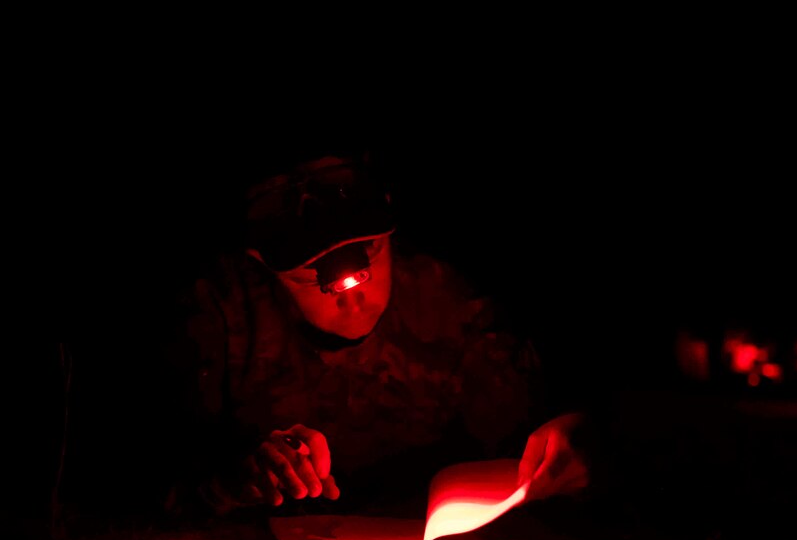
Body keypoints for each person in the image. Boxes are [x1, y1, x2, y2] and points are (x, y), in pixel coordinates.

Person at [159, 148, 592, 517]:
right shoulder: (218, 318)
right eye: (313, 277)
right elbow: (139, 480)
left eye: (369, 256)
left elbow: (543, 437)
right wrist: (231, 482)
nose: (351, 297)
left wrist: (577, 441)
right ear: (259, 262)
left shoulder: (451, 307)